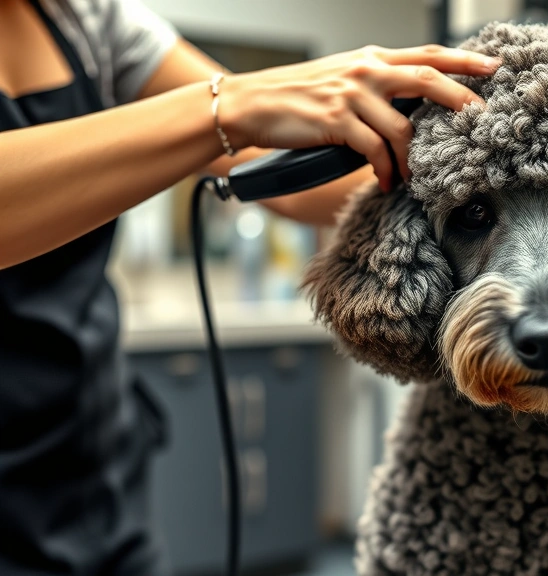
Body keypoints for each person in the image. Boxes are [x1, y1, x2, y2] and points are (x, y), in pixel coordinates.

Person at [0, 0, 497, 574]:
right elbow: (233, 117)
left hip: (93, 472)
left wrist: (475, 168)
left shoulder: (85, 20)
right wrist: (228, 107)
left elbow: (284, 172)